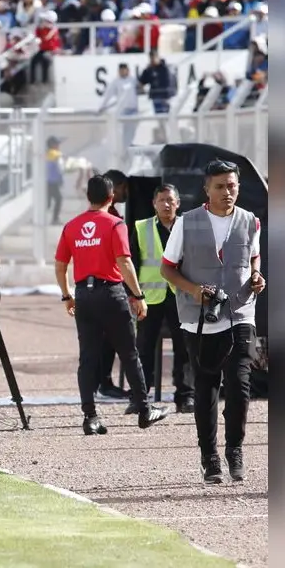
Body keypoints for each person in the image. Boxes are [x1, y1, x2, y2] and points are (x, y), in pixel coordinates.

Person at [160, 160, 265, 484]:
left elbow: (253, 257)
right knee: (206, 387)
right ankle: (210, 456)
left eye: (232, 185)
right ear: (206, 189)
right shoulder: (187, 223)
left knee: (240, 384)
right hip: (200, 320)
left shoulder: (250, 221)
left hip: (241, 312)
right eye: (219, 186)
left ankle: (235, 449)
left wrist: (257, 275)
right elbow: (167, 268)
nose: (227, 192)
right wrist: (193, 290)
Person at [54, 173, 170, 435]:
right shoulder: (115, 224)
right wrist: (139, 296)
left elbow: (61, 265)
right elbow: (124, 262)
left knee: (88, 358)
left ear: (88, 197)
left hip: (84, 295)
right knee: (129, 353)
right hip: (111, 294)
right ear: (111, 197)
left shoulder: (71, 226)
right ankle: (144, 409)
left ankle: (90, 416)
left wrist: (66, 295)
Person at [128, 184, 194, 413]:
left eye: (170, 200)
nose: (166, 204)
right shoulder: (141, 227)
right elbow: (132, 263)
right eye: (162, 200)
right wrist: (133, 294)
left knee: (184, 348)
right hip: (150, 297)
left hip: (182, 295)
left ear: (178, 203)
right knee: (143, 347)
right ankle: (139, 399)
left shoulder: (190, 227)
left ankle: (185, 397)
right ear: (153, 203)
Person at [94, 169, 133, 400]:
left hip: (94, 284)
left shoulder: (105, 216)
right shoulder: (111, 218)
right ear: (115, 188)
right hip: (109, 282)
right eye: (124, 188)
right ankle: (104, 383)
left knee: (102, 337)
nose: (126, 193)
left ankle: (100, 382)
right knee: (109, 336)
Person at [46, 137, 64, 225]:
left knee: (47, 202)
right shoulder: (56, 154)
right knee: (58, 199)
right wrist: (61, 179)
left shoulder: (47, 153)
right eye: (57, 144)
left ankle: (37, 218)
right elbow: (59, 169)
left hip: (47, 182)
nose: (58, 145)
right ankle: (55, 219)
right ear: (53, 145)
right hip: (52, 182)